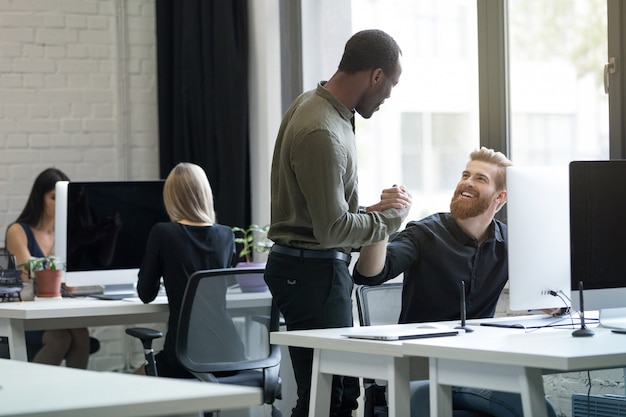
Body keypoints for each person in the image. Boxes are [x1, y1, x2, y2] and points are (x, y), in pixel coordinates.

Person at [264, 29, 412, 417]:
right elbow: (330, 230)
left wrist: (372, 215)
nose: (389, 96)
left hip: (311, 269)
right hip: (310, 271)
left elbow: (325, 213)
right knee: (328, 398)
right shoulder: (322, 131)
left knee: (334, 394)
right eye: (391, 84)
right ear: (375, 76)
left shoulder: (320, 106)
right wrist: (390, 220)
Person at [353, 147, 557, 417]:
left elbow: (544, 297)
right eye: (465, 174)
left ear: (500, 197)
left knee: (538, 406)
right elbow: (369, 274)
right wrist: (383, 222)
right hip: (420, 372)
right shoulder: (426, 233)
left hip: (474, 369)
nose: (467, 182)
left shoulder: (510, 243)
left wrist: (550, 302)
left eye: (480, 178)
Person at [136, 162, 238, 378]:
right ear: (204, 194)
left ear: (171, 198)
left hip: (184, 356)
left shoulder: (163, 233)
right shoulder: (226, 235)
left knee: (128, 383)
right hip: (230, 352)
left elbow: (145, 294)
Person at [5, 167, 91, 368]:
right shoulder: (18, 231)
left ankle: (74, 398)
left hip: (55, 313)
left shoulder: (68, 233)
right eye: (54, 198)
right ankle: (34, 396)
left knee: (81, 333)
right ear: (39, 197)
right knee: (59, 338)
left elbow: (71, 286)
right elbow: (33, 275)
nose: (62, 205)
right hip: (29, 316)